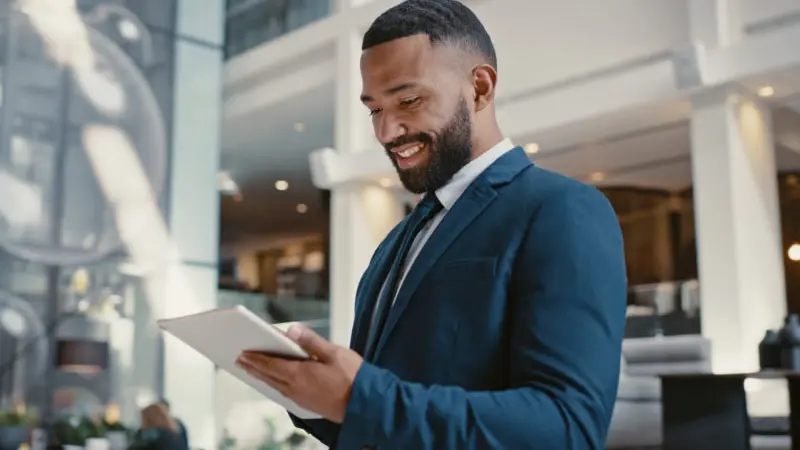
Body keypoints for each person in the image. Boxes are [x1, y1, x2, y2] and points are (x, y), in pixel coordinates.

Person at [236, 0, 627, 448]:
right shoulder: (397, 241)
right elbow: (375, 419)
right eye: (374, 110)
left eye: (408, 100)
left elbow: (568, 428)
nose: (386, 132)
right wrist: (302, 387)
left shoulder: (561, 210)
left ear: (479, 88)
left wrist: (360, 397)